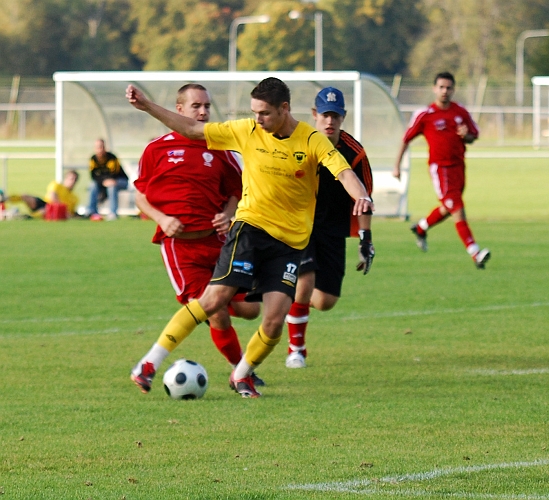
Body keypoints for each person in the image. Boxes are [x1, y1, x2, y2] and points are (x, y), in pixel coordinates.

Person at [126, 77, 374, 398]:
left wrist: (361, 197)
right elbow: (193, 130)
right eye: (254, 111)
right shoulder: (247, 131)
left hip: (290, 243)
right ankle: (148, 363)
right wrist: (147, 106)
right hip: (250, 230)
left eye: (265, 113)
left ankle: (241, 376)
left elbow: (344, 172)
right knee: (213, 300)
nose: (258, 119)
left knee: (273, 320)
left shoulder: (312, 140)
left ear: (284, 109)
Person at [134, 83, 264, 386]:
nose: (203, 111)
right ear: (179, 110)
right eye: (196, 106)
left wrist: (229, 212)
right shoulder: (156, 149)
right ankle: (241, 372)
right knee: (216, 313)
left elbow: (236, 188)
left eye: (206, 105)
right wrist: (162, 218)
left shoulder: (219, 147)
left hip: (218, 243)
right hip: (180, 248)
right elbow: (141, 196)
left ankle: (223, 321)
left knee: (250, 309)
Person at [284, 87, 375, 369]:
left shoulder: (355, 153)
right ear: (314, 115)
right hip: (301, 223)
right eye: (324, 114)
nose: (329, 121)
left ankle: (289, 301)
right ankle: (296, 349)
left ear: (343, 117)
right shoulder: (298, 143)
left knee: (325, 301)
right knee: (305, 281)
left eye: (335, 116)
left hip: (333, 228)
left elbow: (364, 199)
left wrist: (365, 239)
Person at [393, 71, 490, 269]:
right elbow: (406, 139)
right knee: (457, 209)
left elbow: (474, 135)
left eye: (449, 87)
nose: (445, 91)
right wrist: (397, 165)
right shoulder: (425, 114)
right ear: (434, 89)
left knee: (449, 207)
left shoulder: (460, 112)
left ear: (453, 89)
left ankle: (421, 227)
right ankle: (475, 252)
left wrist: (467, 135)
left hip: (459, 167)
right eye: (441, 87)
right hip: (441, 169)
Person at [88, 138, 128, 220]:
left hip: (120, 180)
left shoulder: (112, 157)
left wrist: (107, 181)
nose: (100, 149)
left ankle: (112, 213)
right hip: (104, 182)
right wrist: (103, 181)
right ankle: (92, 212)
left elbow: (115, 173)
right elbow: (93, 175)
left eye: (101, 147)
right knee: (92, 185)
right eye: (98, 147)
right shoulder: (93, 159)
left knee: (112, 187)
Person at [13, 169, 80, 218]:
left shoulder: (75, 198)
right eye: (71, 179)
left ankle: (27, 217)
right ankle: (5, 198)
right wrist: (60, 206)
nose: (73, 181)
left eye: (75, 180)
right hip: (47, 204)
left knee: (45, 211)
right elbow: (52, 196)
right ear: (66, 178)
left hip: (55, 212)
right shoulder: (56, 185)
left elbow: (71, 213)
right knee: (25, 196)